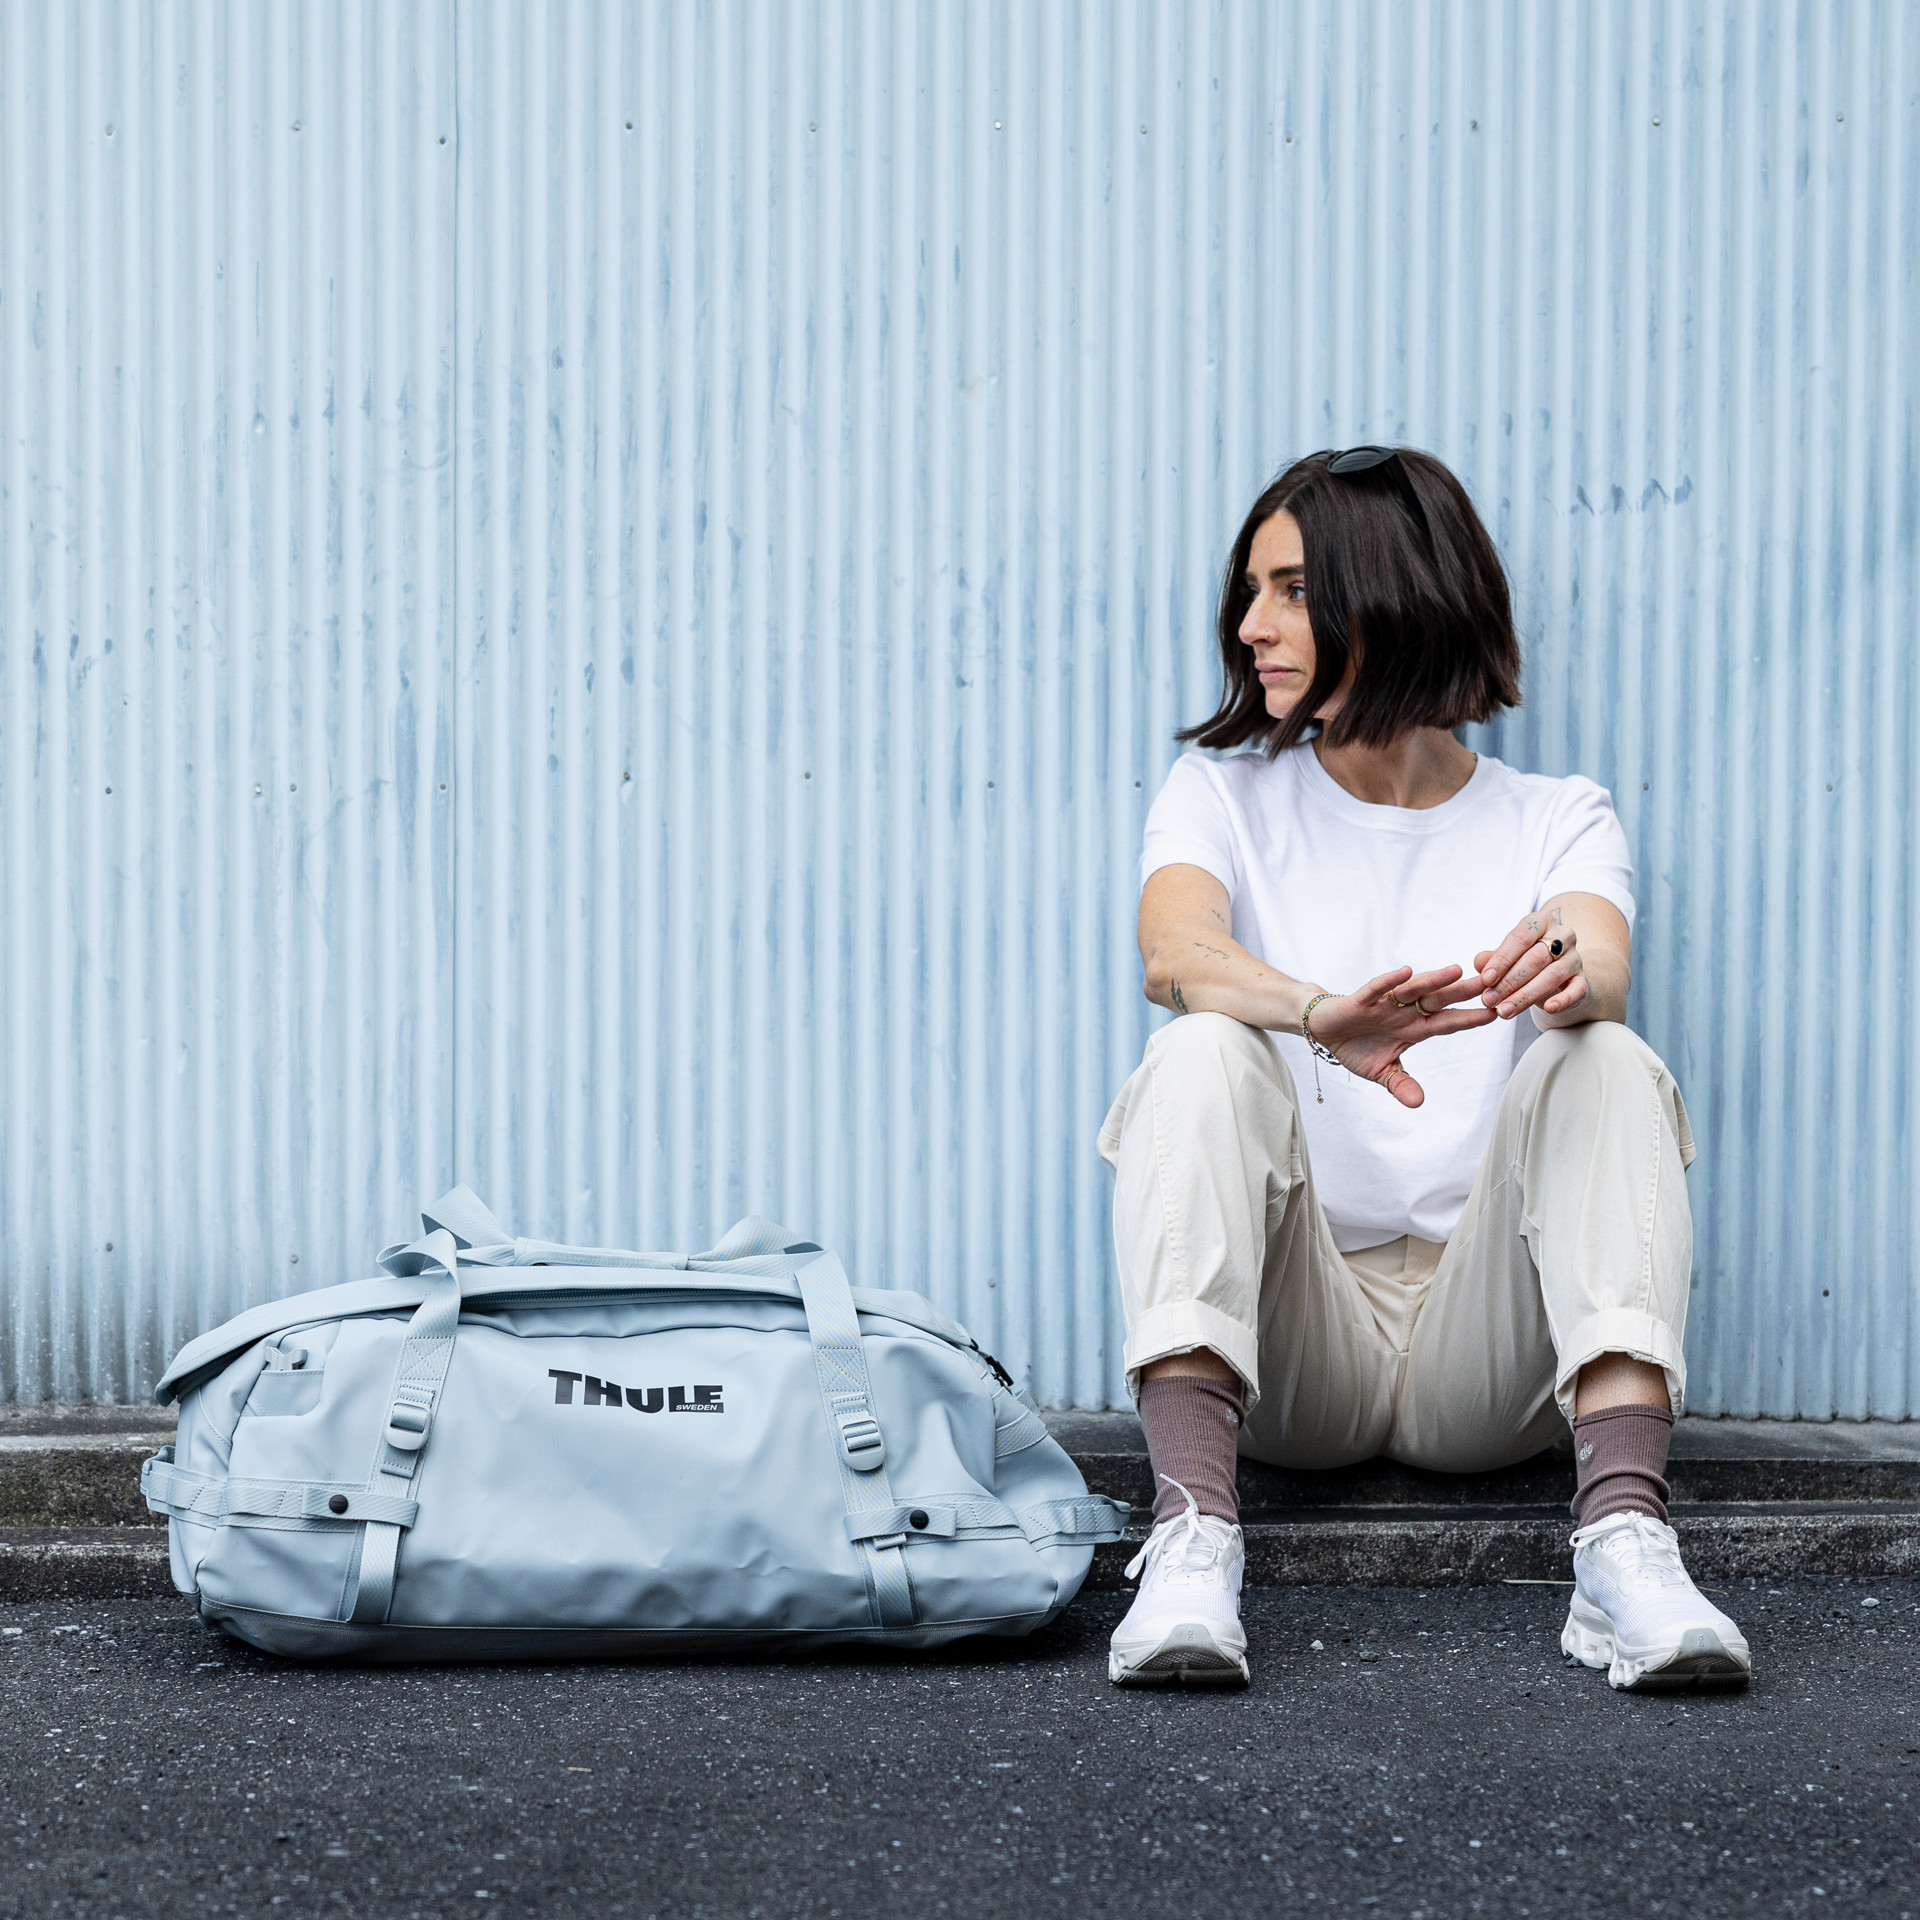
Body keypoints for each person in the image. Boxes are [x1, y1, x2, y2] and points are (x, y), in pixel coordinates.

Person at [1099, 446, 1750, 1694]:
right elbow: (1173, 954)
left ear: (1391, 594)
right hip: (1297, 1354)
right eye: (1251, 592)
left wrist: (1563, 969)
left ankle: (1625, 1547)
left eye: (1291, 591)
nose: (1250, 628)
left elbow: (1600, 960)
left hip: (1487, 1362)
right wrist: (1315, 1016)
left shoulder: (1555, 814)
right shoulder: (1220, 798)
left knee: (1604, 1057)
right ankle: (1190, 1536)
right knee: (1199, 1047)